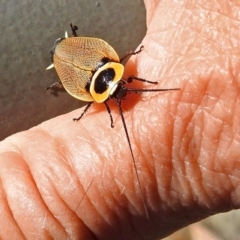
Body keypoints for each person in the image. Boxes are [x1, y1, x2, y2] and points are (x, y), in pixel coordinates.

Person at [0, 0, 239, 239]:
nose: (122, 89)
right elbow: (96, 92)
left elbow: (95, 92)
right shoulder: (108, 79)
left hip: (83, 61)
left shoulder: (104, 81)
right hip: (83, 60)